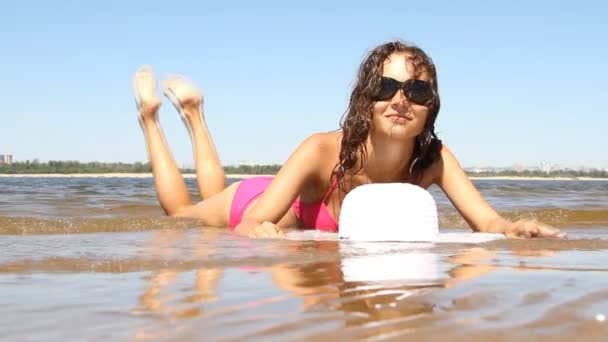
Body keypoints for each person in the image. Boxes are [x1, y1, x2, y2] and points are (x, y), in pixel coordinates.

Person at [132, 40, 564, 239]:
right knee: (181, 217)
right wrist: (269, 242)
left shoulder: (434, 158)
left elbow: (488, 223)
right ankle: (152, 118)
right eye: (385, 88)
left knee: (201, 199)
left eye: (416, 90)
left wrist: (516, 228)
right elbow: (251, 222)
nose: (400, 100)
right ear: (365, 99)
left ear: (431, 104)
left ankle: (193, 112)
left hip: (277, 202)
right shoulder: (324, 148)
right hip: (257, 200)